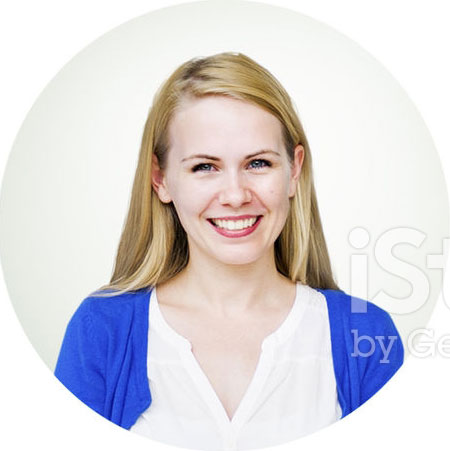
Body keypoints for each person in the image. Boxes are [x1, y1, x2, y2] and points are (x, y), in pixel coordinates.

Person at [55, 52, 404, 450]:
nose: (236, 196)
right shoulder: (101, 331)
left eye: (258, 163)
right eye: (204, 167)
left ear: (294, 171)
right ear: (160, 179)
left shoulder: (367, 335)